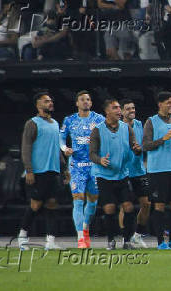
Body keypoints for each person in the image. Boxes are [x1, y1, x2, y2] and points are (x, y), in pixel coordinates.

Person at [17, 92, 70, 250]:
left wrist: (64, 168)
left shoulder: (55, 123)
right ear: (38, 105)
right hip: (38, 172)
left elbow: (56, 148)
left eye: (51, 100)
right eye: (46, 101)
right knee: (35, 205)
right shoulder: (32, 123)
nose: (50, 103)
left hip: (53, 171)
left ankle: (51, 241)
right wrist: (29, 170)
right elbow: (26, 148)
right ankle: (22, 237)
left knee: (52, 204)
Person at [90, 99, 142, 250]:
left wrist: (137, 149)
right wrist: (100, 160)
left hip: (122, 175)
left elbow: (135, 148)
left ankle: (127, 240)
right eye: (115, 108)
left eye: (119, 108)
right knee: (110, 208)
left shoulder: (127, 128)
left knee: (129, 207)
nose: (119, 111)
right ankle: (111, 239)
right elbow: (92, 154)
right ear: (107, 111)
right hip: (104, 176)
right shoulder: (98, 130)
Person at [143, 91, 171, 250]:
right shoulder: (151, 122)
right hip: (157, 170)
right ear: (160, 104)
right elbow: (146, 145)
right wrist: (163, 139)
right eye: (168, 103)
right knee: (159, 206)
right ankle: (161, 242)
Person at [60, 90, 105, 249]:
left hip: (94, 165)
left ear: (91, 103)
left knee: (93, 201)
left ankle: (85, 229)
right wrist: (65, 148)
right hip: (76, 165)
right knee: (78, 200)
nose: (85, 101)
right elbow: (62, 137)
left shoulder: (99, 119)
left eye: (88, 99)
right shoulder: (69, 120)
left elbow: (106, 135)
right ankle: (80, 238)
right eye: (82, 99)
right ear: (77, 103)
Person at [120, 99, 151, 248]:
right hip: (123, 172)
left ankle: (137, 236)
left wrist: (141, 149)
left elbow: (145, 144)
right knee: (125, 206)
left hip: (139, 171)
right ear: (121, 112)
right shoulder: (117, 127)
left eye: (133, 108)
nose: (131, 111)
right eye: (128, 109)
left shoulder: (140, 124)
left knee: (146, 204)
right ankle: (125, 239)